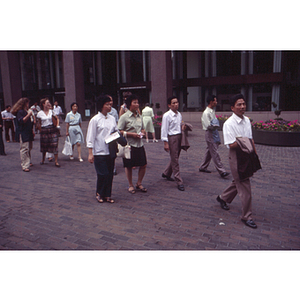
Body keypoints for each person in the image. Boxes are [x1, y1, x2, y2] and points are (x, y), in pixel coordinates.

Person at [216, 94, 258, 229]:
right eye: (239, 104)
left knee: (238, 181)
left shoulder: (246, 120)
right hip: (236, 157)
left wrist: (255, 154)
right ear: (232, 108)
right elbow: (231, 144)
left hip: (248, 155)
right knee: (245, 185)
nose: (242, 107)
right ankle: (247, 216)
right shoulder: (229, 124)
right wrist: (243, 141)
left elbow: (250, 139)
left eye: (244, 104)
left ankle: (223, 198)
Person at [86, 95, 120, 203]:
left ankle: (107, 194)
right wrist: (90, 153)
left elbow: (116, 132)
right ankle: (99, 192)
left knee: (110, 173)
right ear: (101, 106)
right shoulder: (95, 120)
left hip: (110, 150)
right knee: (102, 174)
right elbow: (90, 136)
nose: (110, 106)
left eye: (110, 104)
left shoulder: (112, 119)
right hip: (99, 151)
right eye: (107, 104)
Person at [118, 94, 147, 194]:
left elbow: (142, 128)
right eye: (134, 102)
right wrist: (131, 134)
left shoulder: (140, 116)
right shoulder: (124, 117)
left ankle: (139, 183)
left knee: (143, 164)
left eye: (137, 102)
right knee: (129, 165)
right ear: (129, 104)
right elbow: (119, 131)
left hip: (139, 144)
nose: (137, 104)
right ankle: (130, 185)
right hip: (129, 145)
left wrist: (142, 133)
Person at [199, 95, 229, 178]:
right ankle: (222, 171)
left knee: (210, 150)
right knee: (214, 152)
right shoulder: (206, 113)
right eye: (215, 101)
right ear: (211, 102)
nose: (216, 102)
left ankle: (203, 167)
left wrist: (215, 125)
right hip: (210, 133)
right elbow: (208, 125)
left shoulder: (212, 111)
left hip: (213, 132)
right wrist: (215, 125)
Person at [161, 96, 185, 191]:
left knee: (175, 157)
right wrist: (165, 142)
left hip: (179, 137)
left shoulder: (179, 114)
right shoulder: (167, 115)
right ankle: (179, 180)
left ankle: (166, 173)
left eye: (177, 102)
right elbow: (164, 129)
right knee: (175, 159)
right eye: (173, 103)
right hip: (172, 138)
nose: (176, 104)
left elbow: (179, 125)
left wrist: (183, 127)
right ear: (169, 105)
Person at [11, 98, 34, 172]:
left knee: (29, 147)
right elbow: (22, 121)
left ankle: (28, 161)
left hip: (28, 131)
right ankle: (24, 165)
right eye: (27, 103)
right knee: (24, 148)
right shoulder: (20, 112)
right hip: (23, 132)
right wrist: (28, 115)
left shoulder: (25, 111)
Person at [37, 98, 60, 167]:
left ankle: (56, 161)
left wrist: (57, 125)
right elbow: (39, 123)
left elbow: (57, 118)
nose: (49, 104)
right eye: (47, 102)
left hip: (52, 129)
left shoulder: (51, 111)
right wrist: (39, 130)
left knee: (54, 144)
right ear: (43, 104)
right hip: (44, 130)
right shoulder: (39, 113)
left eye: (49, 102)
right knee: (44, 145)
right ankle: (43, 159)